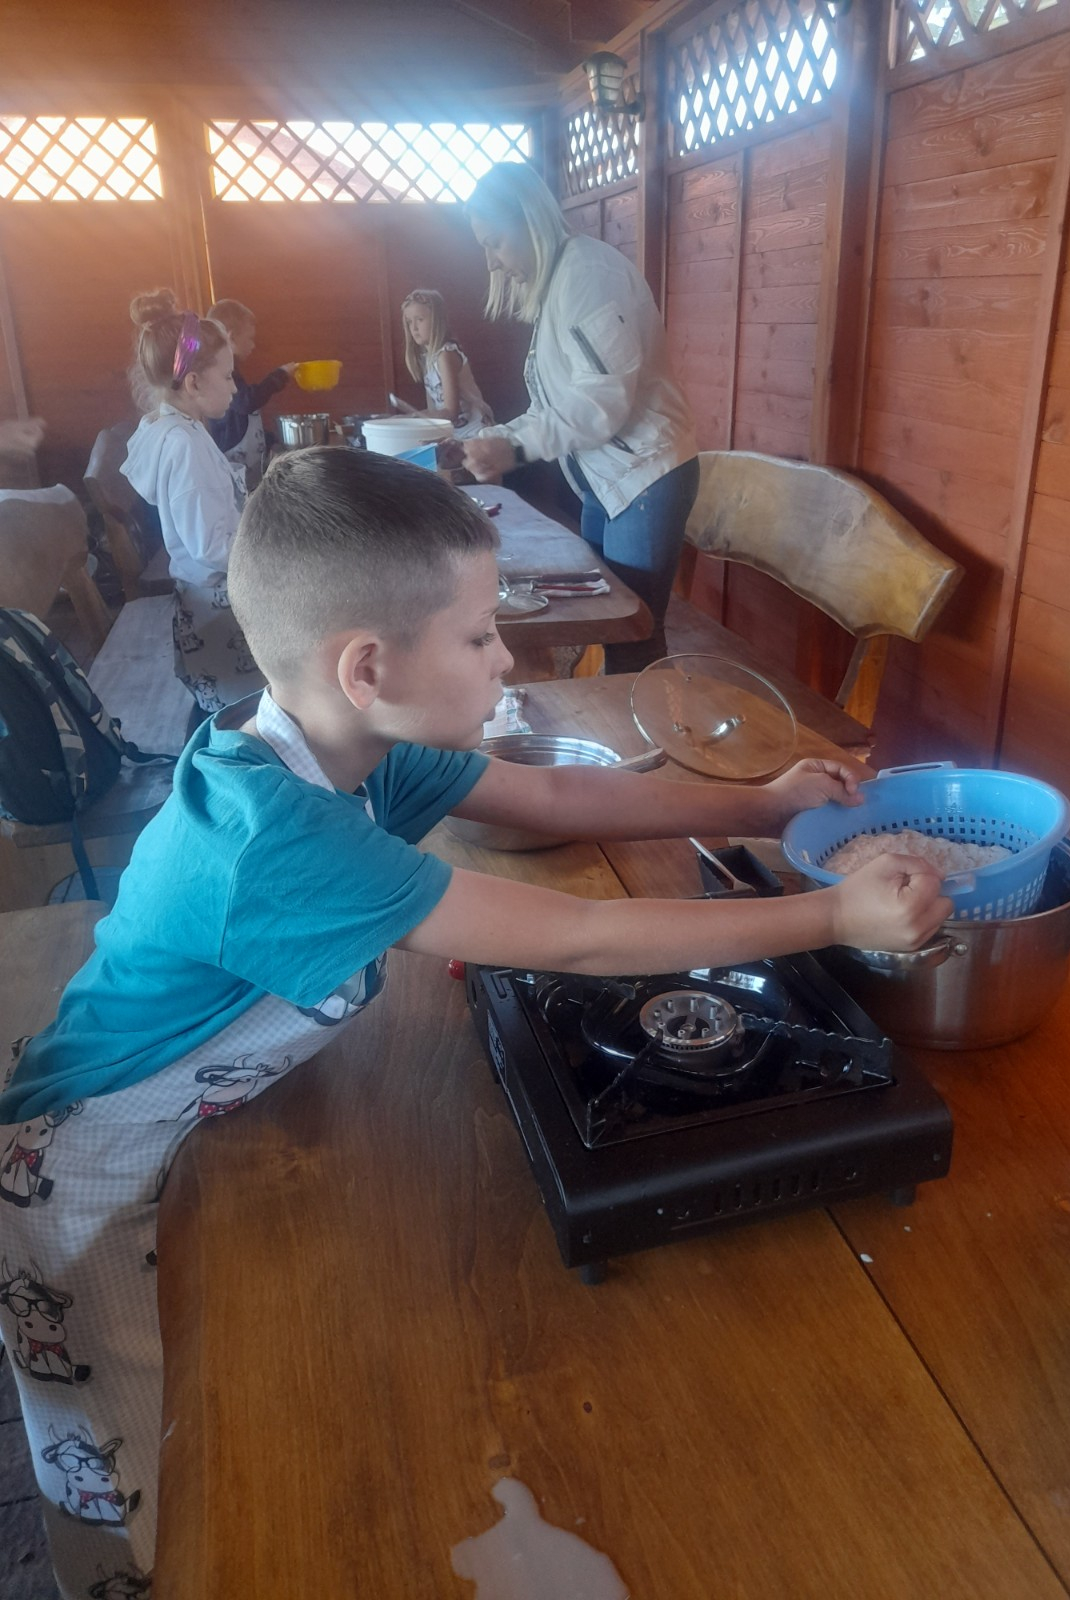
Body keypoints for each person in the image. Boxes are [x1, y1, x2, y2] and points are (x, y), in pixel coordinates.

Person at [0, 449, 949, 1598]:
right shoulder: (274, 838)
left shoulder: (346, 748)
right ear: (368, 666)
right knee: (140, 1478)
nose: (506, 659)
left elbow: (554, 791)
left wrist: (765, 800)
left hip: (193, 1134)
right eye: (481, 635)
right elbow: (581, 937)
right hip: (88, 1184)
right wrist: (832, 914)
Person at [462, 162, 698, 674]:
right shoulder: (560, 281)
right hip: (606, 481)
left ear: (530, 220)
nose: (493, 262)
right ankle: (608, 714)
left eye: (496, 243)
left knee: (632, 631)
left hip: (643, 479)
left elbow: (600, 404)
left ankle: (640, 724)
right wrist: (494, 437)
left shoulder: (586, 276)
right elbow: (554, 407)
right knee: (602, 620)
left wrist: (514, 448)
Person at [120, 289, 266, 715]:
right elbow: (210, 546)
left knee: (221, 707)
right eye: (228, 376)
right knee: (235, 713)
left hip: (204, 600)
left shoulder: (179, 427)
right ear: (194, 382)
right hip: (216, 606)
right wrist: (269, 548)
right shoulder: (183, 444)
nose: (235, 387)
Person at [206, 298, 297, 491]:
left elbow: (245, 419)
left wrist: (270, 440)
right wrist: (279, 376)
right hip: (232, 470)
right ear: (231, 338)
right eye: (249, 338)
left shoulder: (233, 372)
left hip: (249, 470)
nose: (253, 345)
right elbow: (246, 402)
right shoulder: (222, 374)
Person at [394, 287, 494, 437]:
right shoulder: (427, 359)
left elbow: (451, 412)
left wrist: (411, 418)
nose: (413, 328)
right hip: (454, 433)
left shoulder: (446, 355)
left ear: (436, 320)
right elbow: (434, 411)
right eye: (409, 322)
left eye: (420, 320)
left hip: (476, 432)